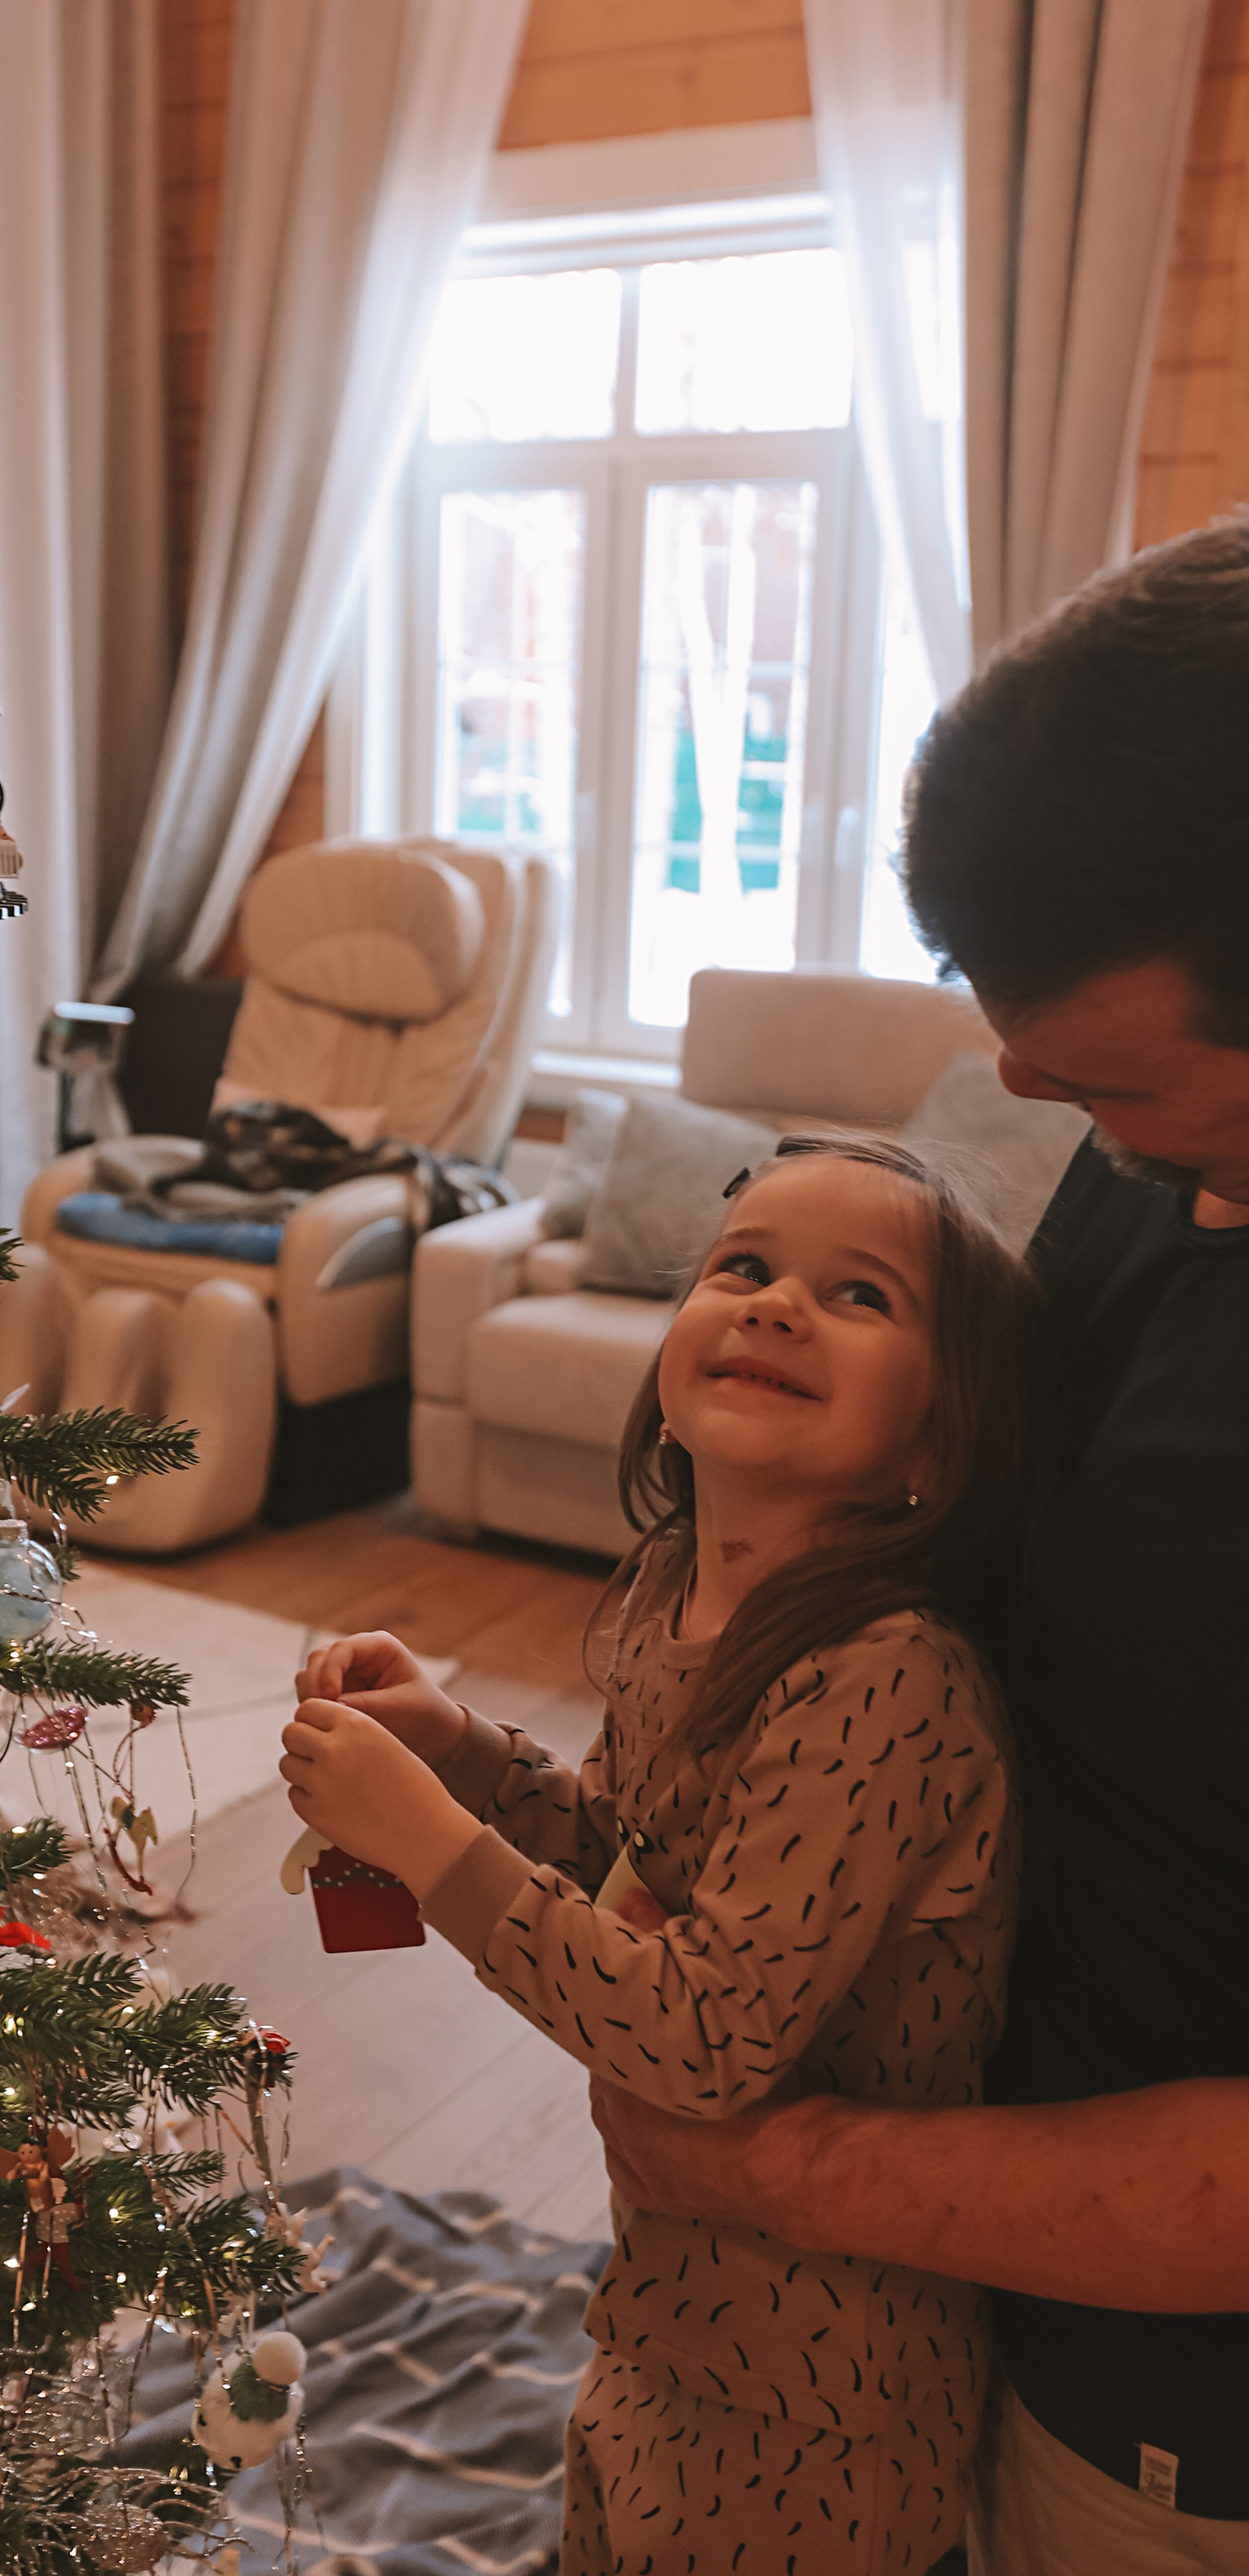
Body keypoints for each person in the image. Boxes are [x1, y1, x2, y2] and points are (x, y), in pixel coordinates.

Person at [587, 518, 1249, 2573]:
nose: (1020, 1085)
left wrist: (774, 2163)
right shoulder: (1153, 1165)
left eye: (1109, 1074)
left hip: (1175, 2422)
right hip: (956, 2306)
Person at [282, 1133, 1046, 2574]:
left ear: (935, 1444)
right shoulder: (662, 1588)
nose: (771, 1305)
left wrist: (427, 1843)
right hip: (667, 2289)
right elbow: (630, 1866)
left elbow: (700, 2038)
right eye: (741, 1267)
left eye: (858, 1295)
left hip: (828, 2378)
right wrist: (455, 1749)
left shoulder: (885, 1675)